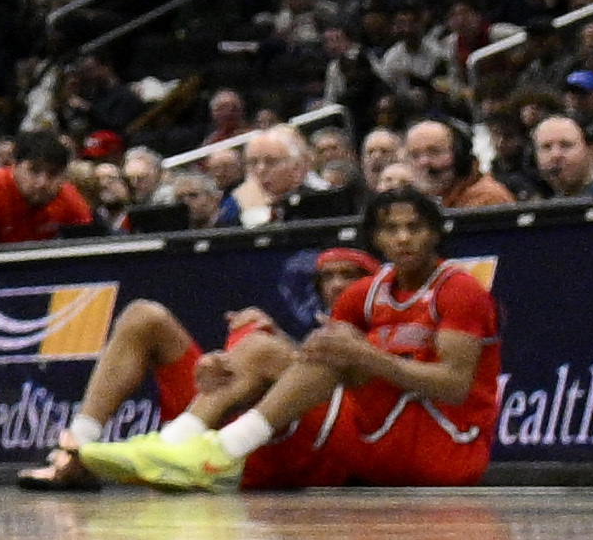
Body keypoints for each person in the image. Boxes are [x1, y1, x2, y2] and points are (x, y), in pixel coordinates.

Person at [36, 183, 500, 488]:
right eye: (392, 229)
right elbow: (318, 367)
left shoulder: (457, 290)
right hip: (315, 418)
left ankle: (202, 449)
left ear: (435, 233)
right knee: (154, 319)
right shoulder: (356, 301)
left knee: (273, 349)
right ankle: (90, 448)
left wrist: (357, 356)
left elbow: (455, 384)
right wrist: (214, 365)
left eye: (414, 228)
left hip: (433, 444)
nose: (403, 238)